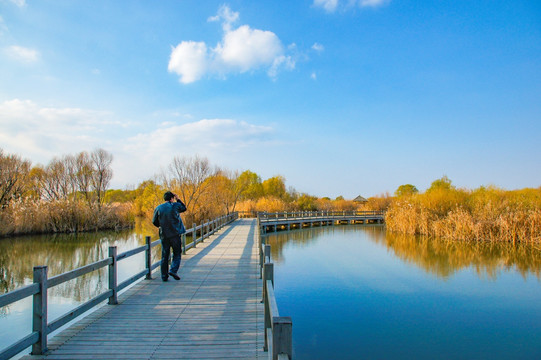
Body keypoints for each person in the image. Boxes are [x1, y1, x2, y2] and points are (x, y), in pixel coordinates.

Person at [152, 191, 187, 282]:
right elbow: (184, 208)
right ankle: (173, 270)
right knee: (177, 253)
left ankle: (164, 276)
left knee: (165, 255)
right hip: (175, 234)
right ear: (172, 198)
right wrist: (178, 199)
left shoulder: (158, 208)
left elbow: (154, 221)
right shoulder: (175, 205)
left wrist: (161, 226)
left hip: (164, 235)